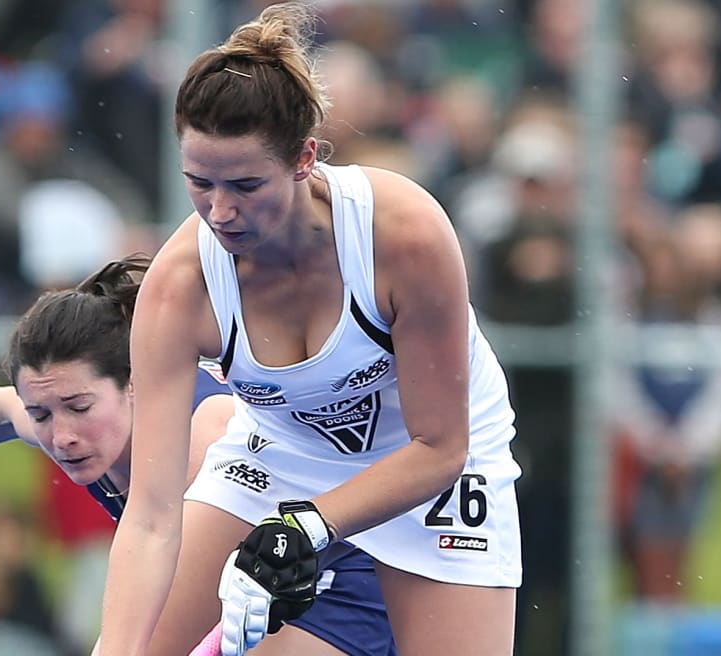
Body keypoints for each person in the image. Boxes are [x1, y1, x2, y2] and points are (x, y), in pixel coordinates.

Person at [97, 4, 522, 656]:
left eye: (244, 184)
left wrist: (308, 528)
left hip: (431, 458)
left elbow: (440, 448)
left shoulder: (403, 234)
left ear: (305, 159)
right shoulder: (180, 288)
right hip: (285, 453)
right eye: (198, 183)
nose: (220, 211)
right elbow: (153, 518)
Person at [0, 254, 397, 656]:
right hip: (258, 592)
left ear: (137, 385)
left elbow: (146, 626)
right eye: (42, 415)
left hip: (351, 580)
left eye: (77, 407)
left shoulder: (207, 436)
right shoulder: (57, 410)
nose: (60, 436)